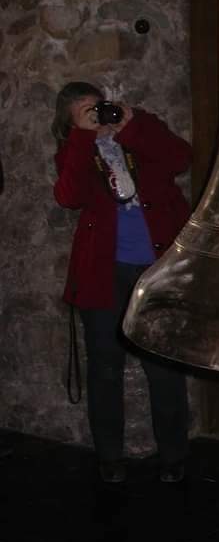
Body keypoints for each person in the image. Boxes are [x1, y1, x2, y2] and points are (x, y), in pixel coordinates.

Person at [52, 81, 192, 483]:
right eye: (85, 113)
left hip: (156, 268)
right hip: (104, 273)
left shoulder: (140, 130)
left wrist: (132, 125)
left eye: (99, 108)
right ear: (70, 122)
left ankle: (175, 456)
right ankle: (110, 457)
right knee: (105, 369)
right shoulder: (74, 151)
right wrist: (82, 139)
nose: (98, 117)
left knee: (163, 367)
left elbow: (181, 157)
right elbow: (69, 196)